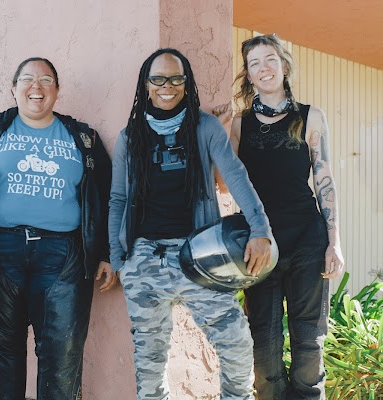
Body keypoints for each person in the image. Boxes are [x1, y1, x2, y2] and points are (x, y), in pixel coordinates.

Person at [0, 57, 114, 400]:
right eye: (27, 80)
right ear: (14, 89)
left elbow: (107, 196)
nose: (36, 87)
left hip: (64, 256)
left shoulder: (84, 138)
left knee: (61, 358)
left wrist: (107, 253)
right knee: (1, 357)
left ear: (57, 91)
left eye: (46, 80)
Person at [109, 48, 273, 400]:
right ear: (145, 84)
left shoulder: (205, 127)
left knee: (236, 344)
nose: (167, 86)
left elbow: (235, 176)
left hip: (200, 255)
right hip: (145, 259)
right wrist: (120, 260)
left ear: (187, 83)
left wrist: (260, 229)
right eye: (158, 79)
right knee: (150, 363)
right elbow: (118, 199)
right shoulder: (129, 137)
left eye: (176, 78)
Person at [213, 34, 344, 399]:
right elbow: (225, 187)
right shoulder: (239, 124)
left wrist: (335, 244)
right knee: (263, 343)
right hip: (260, 243)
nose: (264, 68)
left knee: (309, 340)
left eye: (269, 60)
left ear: (283, 66)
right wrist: (222, 133)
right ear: (249, 76)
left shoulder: (310, 117)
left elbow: (325, 180)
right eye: (254, 64)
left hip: (307, 238)